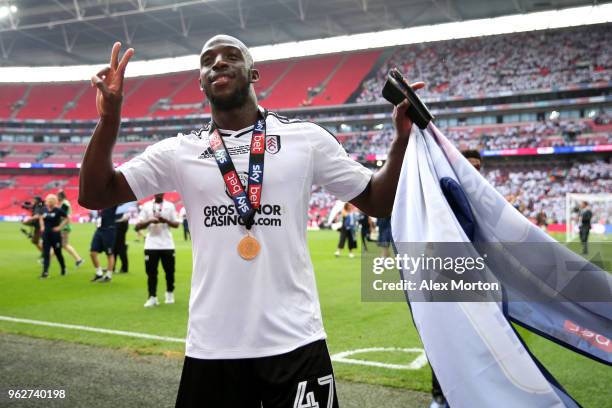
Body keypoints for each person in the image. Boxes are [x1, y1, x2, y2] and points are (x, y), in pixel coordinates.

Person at [78, 37, 423, 407]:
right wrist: (110, 118)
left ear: (254, 73)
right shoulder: (179, 152)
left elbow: (378, 200)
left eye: (231, 57)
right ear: (201, 83)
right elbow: (95, 194)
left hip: (296, 342)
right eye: (208, 60)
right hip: (213, 347)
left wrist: (401, 140)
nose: (219, 63)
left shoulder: (304, 140)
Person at [429, 149, 482, 408]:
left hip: (476, 276)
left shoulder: (485, 197)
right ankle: (439, 395)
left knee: (474, 336)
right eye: (470, 165)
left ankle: (471, 390)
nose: (474, 170)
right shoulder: (444, 192)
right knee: (442, 334)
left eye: (478, 166)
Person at [135, 193, 179, 307]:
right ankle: (152, 297)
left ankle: (169, 293)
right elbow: (137, 226)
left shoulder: (170, 205)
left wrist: (165, 220)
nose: (159, 193)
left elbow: (176, 224)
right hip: (151, 244)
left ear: (164, 192)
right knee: (151, 273)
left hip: (167, 244)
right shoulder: (146, 206)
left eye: (161, 191)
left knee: (170, 271)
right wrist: (149, 221)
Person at [39, 194, 68, 278]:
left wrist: (59, 227)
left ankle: (63, 268)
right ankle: (45, 272)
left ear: (55, 202)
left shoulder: (58, 210)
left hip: (55, 235)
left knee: (58, 253)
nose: (49, 202)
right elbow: (41, 217)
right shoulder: (43, 209)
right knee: (46, 253)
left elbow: (67, 218)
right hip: (46, 235)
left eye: (51, 201)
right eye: (48, 201)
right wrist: (42, 226)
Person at [89, 206, 118, 283]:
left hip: (109, 230)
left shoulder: (113, 202)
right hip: (99, 229)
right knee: (92, 252)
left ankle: (108, 275)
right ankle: (99, 273)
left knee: (109, 253)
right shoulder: (100, 202)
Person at [57, 190, 84, 267]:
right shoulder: (65, 203)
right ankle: (46, 259)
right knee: (61, 244)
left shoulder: (64, 204)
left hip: (64, 226)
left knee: (63, 244)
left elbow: (64, 216)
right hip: (64, 226)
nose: (56, 197)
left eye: (57, 195)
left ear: (60, 196)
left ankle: (79, 259)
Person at [113, 201, 136, 273]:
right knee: (114, 249)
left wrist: (115, 221)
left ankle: (124, 268)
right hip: (117, 227)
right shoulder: (118, 207)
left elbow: (126, 218)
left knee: (121, 249)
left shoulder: (125, 207)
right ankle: (112, 267)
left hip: (121, 227)